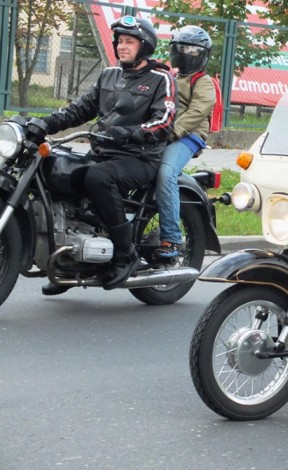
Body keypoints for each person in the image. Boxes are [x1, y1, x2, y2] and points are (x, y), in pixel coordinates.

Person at [33, 16, 176, 294]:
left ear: (144, 46)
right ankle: (68, 262)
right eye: (120, 41)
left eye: (129, 42)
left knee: (98, 178)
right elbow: (80, 109)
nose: (122, 47)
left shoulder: (161, 78)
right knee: (56, 168)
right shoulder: (109, 74)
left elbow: (165, 120)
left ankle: (126, 254)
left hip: (140, 157)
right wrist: (43, 123)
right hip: (103, 152)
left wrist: (131, 133)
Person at [154, 25, 216, 259]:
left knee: (166, 173)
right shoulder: (168, 77)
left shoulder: (202, 81)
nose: (188, 53)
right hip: (161, 132)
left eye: (193, 50)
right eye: (183, 48)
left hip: (189, 136)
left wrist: (173, 132)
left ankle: (171, 238)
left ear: (202, 54)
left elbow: (199, 111)